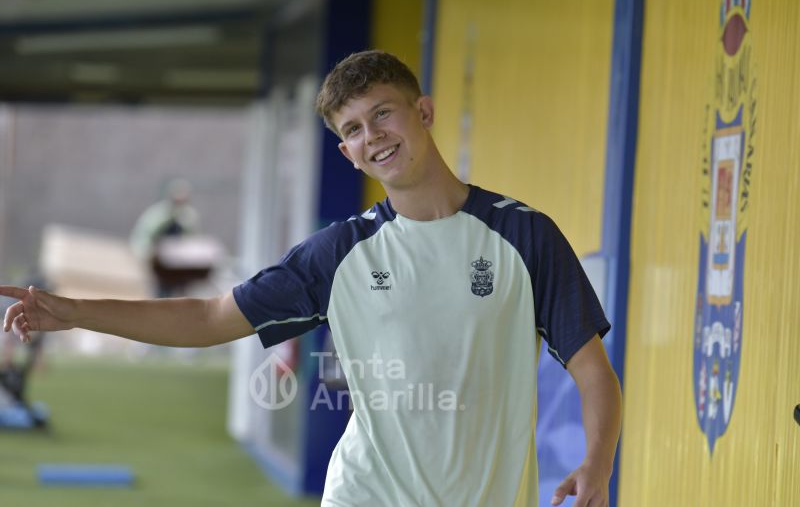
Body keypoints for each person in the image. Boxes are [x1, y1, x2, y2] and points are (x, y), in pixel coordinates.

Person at [2, 50, 621, 507]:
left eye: (383, 114)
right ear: (347, 153)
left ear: (423, 112)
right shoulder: (338, 254)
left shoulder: (525, 235)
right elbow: (212, 317)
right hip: (365, 493)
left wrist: (597, 462)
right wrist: (75, 311)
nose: (371, 135)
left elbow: (593, 371)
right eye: (351, 130)